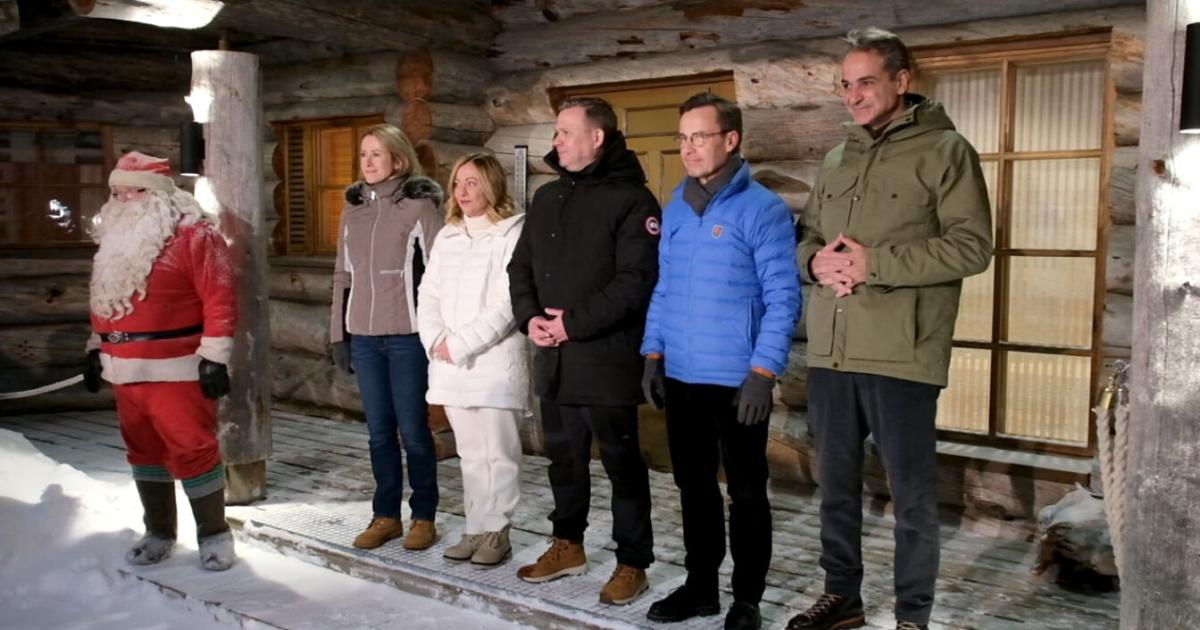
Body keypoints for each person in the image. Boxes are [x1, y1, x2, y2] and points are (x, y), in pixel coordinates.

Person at [786, 28, 993, 630]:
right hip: (833, 352)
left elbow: (973, 246)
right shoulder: (836, 158)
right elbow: (808, 239)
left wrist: (874, 265)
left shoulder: (947, 151)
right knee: (836, 488)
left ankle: (911, 616)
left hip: (902, 354)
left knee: (911, 497)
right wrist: (814, 263)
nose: (853, 95)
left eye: (866, 82)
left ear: (902, 81)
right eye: (845, 84)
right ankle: (842, 598)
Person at [640, 93, 800, 630]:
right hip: (682, 374)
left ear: (730, 140)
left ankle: (746, 599)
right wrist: (653, 352)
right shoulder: (675, 209)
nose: (688, 148)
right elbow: (663, 288)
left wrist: (762, 373)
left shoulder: (763, 209)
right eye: (683, 138)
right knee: (694, 488)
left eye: (700, 136)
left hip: (737, 381)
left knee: (747, 492)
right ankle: (701, 587)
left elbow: (783, 298)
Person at [506, 97, 659, 605]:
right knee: (563, 461)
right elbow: (520, 267)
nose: (556, 141)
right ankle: (568, 545)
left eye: (565, 132)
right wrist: (530, 318)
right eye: (556, 132)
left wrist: (570, 324)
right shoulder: (548, 196)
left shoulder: (633, 200)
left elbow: (635, 281)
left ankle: (632, 562)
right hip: (554, 359)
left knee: (622, 466)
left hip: (606, 359)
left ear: (597, 137)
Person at [84, 150, 237, 571]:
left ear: (156, 195)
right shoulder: (114, 239)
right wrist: (96, 346)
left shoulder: (195, 236)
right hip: (123, 366)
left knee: (192, 448)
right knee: (143, 451)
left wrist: (214, 356)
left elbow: (220, 296)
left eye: (131, 192)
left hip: (176, 366)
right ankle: (158, 531)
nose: (122, 200)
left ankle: (214, 533)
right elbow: (104, 299)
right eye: (117, 193)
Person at [329, 124, 445, 552]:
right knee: (379, 433)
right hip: (364, 338)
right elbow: (342, 276)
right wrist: (338, 334)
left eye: (377, 154)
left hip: (407, 338)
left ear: (398, 159)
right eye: (364, 154)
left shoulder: (420, 206)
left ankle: (424, 516)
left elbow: (438, 274)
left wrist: (436, 334)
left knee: (413, 431)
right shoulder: (353, 210)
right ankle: (386, 516)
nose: (369, 162)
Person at [416, 153, 527, 567]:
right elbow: (428, 294)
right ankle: (476, 527)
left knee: (499, 453)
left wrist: (460, 344)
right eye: (458, 183)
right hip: (450, 364)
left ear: (492, 186)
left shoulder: (512, 233)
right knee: (471, 455)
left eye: (472, 182)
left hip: (494, 364)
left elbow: (507, 303)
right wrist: (436, 339)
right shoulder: (448, 236)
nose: (462, 192)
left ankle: (498, 530)